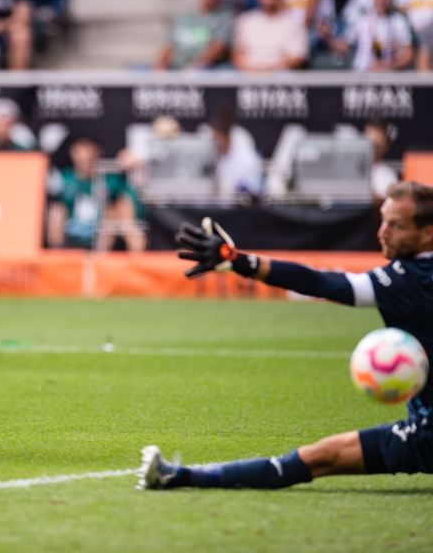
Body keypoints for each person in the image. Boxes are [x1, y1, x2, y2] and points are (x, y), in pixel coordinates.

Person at [139, 180, 433, 490]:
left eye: (396, 225)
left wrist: (239, 261)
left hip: (428, 433)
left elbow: (322, 283)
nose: (382, 232)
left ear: (427, 233)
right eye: (383, 220)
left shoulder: (409, 281)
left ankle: (177, 476)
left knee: (317, 458)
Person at [47, 137, 145, 252]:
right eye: (80, 152)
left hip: (100, 237)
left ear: (98, 152)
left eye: (90, 151)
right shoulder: (65, 179)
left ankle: (101, 255)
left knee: (112, 211)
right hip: (72, 234)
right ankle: (57, 254)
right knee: (56, 211)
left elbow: (122, 206)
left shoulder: (110, 180)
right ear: (72, 153)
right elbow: (58, 209)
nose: (85, 157)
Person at [156, 0, 234, 71]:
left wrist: (193, 67)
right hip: (176, 67)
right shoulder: (183, 16)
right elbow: (168, 47)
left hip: (207, 70)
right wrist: (160, 67)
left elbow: (218, 49)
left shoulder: (226, 17)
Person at [232, 0, 309, 71]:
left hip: (281, 73)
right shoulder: (245, 20)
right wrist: (253, 71)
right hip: (248, 72)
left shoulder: (294, 24)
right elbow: (237, 55)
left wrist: (269, 70)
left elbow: (298, 59)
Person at [209, 110, 262, 195]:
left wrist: (231, 189)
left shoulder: (247, 159)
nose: (213, 141)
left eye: (216, 137)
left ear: (225, 136)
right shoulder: (211, 158)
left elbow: (253, 191)